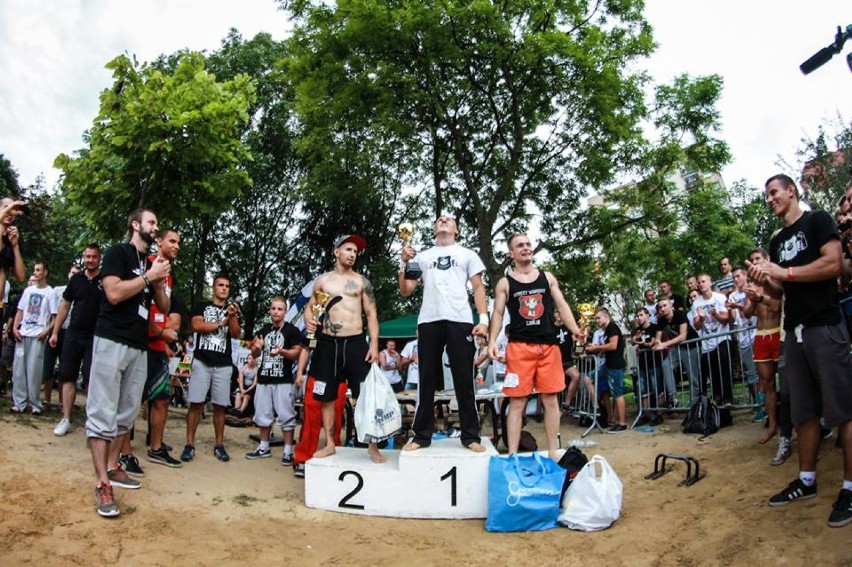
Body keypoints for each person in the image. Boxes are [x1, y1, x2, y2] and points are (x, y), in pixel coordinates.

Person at [748, 174, 852, 527]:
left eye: (774, 192)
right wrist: (764, 284)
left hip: (825, 325)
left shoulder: (818, 220)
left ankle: (850, 488)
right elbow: (780, 292)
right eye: (767, 196)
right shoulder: (778, 240)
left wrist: (783, 272)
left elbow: (833, 264)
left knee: (842, 410)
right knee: (804, 412)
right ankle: (806, 481)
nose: (770, 199)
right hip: (794, 333)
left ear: (792, 191)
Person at [85, 209, 170, 517]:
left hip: (138, 347)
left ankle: (113, 465)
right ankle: (102, 483)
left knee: (127, 414)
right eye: (152, 222)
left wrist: (157, 280)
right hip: (111, 341)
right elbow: (114, 293)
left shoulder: (151, 264)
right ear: (136, 225)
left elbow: (163, 306)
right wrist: (148, 277)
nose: (155, 227)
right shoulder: (117, 253)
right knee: (102, 411)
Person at [399, 215, 488, 452]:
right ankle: (421, 435)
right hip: (429, 319)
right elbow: (406, 290)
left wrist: (484, 319)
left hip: (460, 319)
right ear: (434, 229)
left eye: (449, 220)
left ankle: (471, 437)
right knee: (426, 377)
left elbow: (478, 287)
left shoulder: (467, 254)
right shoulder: (422, 256)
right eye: (439, 219)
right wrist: (403, 262)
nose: (444, 220)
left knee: (464, 378)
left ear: (457, 229)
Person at [488, 234, 582, 458]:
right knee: (517, 402)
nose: (526, 248)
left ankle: (552, 452)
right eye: (520, 245)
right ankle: (512, 454)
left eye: (528, 244)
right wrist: (492, 341)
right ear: (511, 253)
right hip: (520, 347)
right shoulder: (505, 282)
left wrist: (575, 329)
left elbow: (561, 304)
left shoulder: (547, 278)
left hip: (549, 346)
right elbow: (498, 313)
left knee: (550, 400)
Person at [307, 234, 383, 463]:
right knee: (327, 397)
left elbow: (371, 314)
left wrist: (375, 346)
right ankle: (331, 443)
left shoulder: (362, 282)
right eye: (348, 249)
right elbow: (311, 308)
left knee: (366, 396)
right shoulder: (323, 281)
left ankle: (372, 446)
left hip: (356, 344)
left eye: (355, 251)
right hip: (328, 344)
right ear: (336, 251)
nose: (352, 254)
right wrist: (310, 320)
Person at [182, 275, 241, 463]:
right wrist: (219, 324)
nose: (224, 289)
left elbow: (236, 334)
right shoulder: (202, 305)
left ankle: (219, 445)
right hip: (202, 361)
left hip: (223, 364)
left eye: (227, 286)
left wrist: (231, 317)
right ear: (214, 287)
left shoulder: (231, 310)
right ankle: (189, 444)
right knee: (196, 404)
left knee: (220, 407)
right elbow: (196, 325)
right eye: (220, 285)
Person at [50, 244, 103, 437]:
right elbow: (64, 306)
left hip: (95, 337)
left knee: (92, 380)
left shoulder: (105, 281)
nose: (90, 260)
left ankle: (93, 422)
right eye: (87, 256)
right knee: (67, 376)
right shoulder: (76, 280)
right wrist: (55, 332)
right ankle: (66, 418)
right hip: (73, 333)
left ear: (99, 258)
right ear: (83, 258)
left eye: (94, 257)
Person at [245, 296, 303, 464]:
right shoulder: (263, 330)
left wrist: (281, 351)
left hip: (283, 380)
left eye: (280, 309)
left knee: (286, 416)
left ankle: (287, 451)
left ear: (285, 312)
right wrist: (257, 349)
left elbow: (297, 353)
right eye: (273, 308)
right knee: (262, 414)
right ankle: (263, 447)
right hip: (264, 379)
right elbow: (255, 354)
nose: (276, 312)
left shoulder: (292, 331)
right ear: (270, 310)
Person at [144, 229, 183, 468]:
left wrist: (164, 336)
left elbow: (164, 312)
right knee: (132, 398)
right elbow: (138, 309)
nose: (177, 246)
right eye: (172, 241)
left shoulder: (168, 274)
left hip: (158, 345)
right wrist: (160, 332)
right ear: (158, 242)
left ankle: (155, 447)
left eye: (179, 242)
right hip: (140, 342)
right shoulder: (146, 265)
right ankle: (121, 449)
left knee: (162, 397)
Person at [741, 248, 783, 446]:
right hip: (761, 335)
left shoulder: (775, 279)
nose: (755, 262)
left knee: (788, 383)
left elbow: (778, 306)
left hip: (778, 332)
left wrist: (761, 297)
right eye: (752, 259)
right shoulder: (753, 285)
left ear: (767, 260)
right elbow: (747, 314)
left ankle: (790, 424)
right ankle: (772, 425)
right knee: (767, 383)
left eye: (758, 258)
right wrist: (751, 298)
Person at [11, 261, 56, 414]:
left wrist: (46, 331)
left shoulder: (50, 293)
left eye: (38, 270)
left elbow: (54, 317)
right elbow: (20, 311)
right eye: (34, 270)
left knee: (34, 371)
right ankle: (19, 403)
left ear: (45, 272)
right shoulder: (28, 291)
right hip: (23, 334)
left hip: (38, 336)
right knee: (19, 370)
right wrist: (14, 328)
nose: (35, 273)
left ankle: (35, 404)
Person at [692, 273, 733, 405]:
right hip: (707, 343)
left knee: (725, 369)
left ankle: (728, 398)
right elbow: (697, 326)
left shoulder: (720, 298)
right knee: (713, 373)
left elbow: (726, 320)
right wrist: (702, 318)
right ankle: (717, 399)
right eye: (699, 282)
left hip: (722, 338)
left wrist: (715, 313)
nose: (701, 284)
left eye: (703, 281)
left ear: (710, 282)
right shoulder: (696, 304)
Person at [584, 307, 627, 432]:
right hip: (607, 365)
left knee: (618, 393)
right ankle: (597, 408)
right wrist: (596, 347)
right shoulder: (607, 330)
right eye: (595, 318)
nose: (596, 320)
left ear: (606, 317)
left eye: (598, 318)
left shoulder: (612, 327)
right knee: (588, 378)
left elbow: (613, 345)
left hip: (615, 365)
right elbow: (607, 346)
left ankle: (622, 423)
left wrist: (596, 348)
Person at [42, 263, 79, 409]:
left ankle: (63, 403)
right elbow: (53, 313)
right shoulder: (57, 290)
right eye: (72, 273)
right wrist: (51, 332)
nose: (74, 275)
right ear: (68, 274)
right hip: (55, 331)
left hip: (70, 333)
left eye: (77, 273)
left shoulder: (80, 292)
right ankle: (47, 400)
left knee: (66, 370)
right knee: (48, 367)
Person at [654, 297, 700, 408]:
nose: (663, 309)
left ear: (671, 306)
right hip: (678, 348)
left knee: (692, 376)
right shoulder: (662, 320)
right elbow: (658, 338)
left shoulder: (679, 314)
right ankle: (672, 398)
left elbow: (682, 336)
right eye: (660, 307)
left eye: (665, 305)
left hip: (691, 346)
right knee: (666, 365)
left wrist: (664, 344)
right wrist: (656, 343)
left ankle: (695, 402)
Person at [727, 265, 758, 411]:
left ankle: (765, 403)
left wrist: (738, 306)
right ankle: (757, 404)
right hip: (743, 336)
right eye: (734, 277)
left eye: (738, 276)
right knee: (750, 374)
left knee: (763, 373)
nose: (736, 279)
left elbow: (754, 311)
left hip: (756, 333)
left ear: (745, 276)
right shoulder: (732, 296)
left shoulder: (753, 289)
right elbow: (735, 318)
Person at [632, 307, 664, 425]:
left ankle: (660, 413)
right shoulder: (637, 330)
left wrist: (640, 343)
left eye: (641, 315)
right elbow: (632, 341)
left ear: (647, 315)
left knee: (657, 388)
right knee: (643, 389)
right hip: (642, 363)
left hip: (654, 362)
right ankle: (647, 414)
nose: (639, 318)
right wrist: (637, 340)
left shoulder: (654, 327)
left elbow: (652, 343)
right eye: (637, 316)